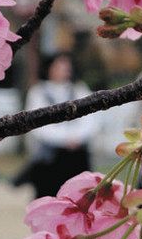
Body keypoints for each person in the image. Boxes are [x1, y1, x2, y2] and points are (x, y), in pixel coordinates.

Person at [16, 53, 97, 198]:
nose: (65, 69)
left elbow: (90, 120)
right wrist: (64, 139)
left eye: (66, 66)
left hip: (77, 153)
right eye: (59, 66)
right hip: (50, 155)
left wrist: (76, 137)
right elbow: (38, 125)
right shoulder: (39, 92)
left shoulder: (79, 89)